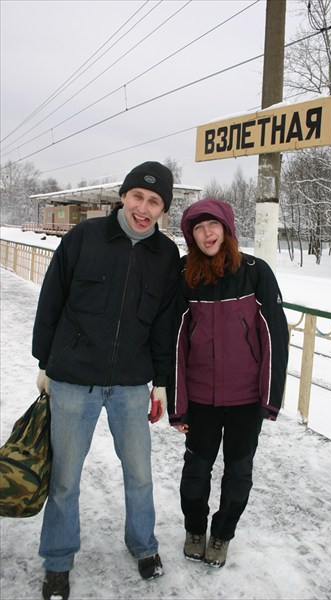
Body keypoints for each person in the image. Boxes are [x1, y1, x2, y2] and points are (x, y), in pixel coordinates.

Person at [32, 161, 180, 600]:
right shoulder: (84, 237)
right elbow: (51, 298)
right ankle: (58, 561)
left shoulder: (165, 255)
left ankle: (144, 545)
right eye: (138, 196)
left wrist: (161, 382)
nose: (143, 208)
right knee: (64, 479)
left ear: (162, 209)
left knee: (139, 474)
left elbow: (164, 324)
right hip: (74, 380)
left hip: (131, 384)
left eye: (154, 202)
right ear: (123, 196)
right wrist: (46, 362)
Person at [168, 198, 289, 569]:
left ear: (227, 228)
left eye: (214, 225)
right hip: (201, 398)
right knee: (195, 472)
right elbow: (174, 341)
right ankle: (194, 528)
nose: (208, 233)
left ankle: (222, 534)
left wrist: (270, 397)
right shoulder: (184, 273)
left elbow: (275, 336)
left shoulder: (254, 272)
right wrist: (178, 405)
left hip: (245, 400)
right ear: (191, 235)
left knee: (238, 472)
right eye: (199, 227)